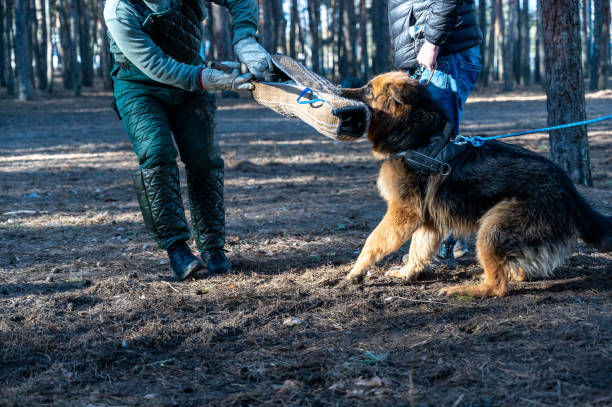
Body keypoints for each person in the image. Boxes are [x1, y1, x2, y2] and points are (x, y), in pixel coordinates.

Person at [103, 0, 272, 280]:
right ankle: (177, 249)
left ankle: (213, 248)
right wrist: (206, 78)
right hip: (140, 87)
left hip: (192, 82)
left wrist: (245, 38)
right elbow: (155, 65)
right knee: (156, 152)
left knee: (204, 158)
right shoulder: (119, 9)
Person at [388, 0, 483, 268]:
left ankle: (439, 248)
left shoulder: (437, 46)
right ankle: (453, 237)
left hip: (443, 55)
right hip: (434, 56)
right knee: (434, 152)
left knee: (437, 156)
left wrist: (431, 42)